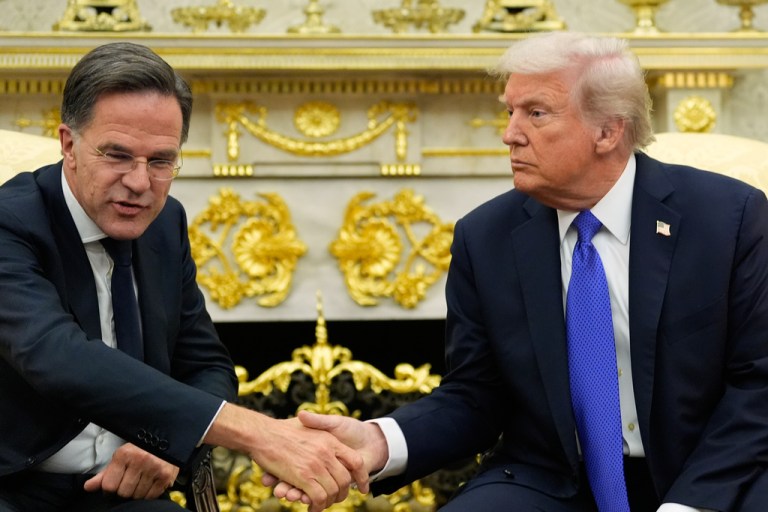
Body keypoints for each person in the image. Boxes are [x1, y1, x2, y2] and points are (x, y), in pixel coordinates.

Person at [271, 32, 768, 511]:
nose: (510, 134)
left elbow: (757, 386)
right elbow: (474, 395)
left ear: (608, 131)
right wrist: (380, 441)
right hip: (553, 481)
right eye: (509, 112)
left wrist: (688, 506)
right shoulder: (486, 237)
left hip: (710, 474)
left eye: (536, 113)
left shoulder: (728, 219)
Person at [0, 42, 367, 512]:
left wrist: (168, 443)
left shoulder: (164, 222)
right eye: (117, 155)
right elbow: (57, 357)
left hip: (124, 491)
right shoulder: (10, 223)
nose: (139, 183)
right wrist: (260, 433)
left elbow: (207, 364)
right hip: (15, 484)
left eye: (160, 161)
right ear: (69, 145)